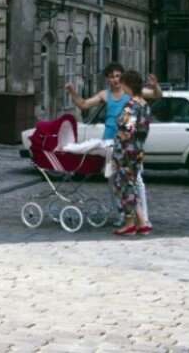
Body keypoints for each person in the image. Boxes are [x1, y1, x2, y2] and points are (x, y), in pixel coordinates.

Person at [65, 62, 162, 225]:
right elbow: (83, 104)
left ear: (123, 78)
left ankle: (144, 218)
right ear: (108, 79)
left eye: (118, 76)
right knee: (113, 181)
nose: (115, 79)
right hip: (110, 142)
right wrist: (72, 91)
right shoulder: (105, 94)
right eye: (112, 76)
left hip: (129, 144)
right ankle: (122, 215)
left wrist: (156, 85)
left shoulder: (132, 94)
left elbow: (157, 95)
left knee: (137, 181)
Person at [111, 70, 151, 235]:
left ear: (129, 84)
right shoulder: (144, 103)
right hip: (139, 149)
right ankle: (141, 222)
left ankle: (130, 224)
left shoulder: (131, 104)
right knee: (130, 184)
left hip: (126, 151)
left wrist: (121, 133)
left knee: (124, 185)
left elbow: (127, 128)